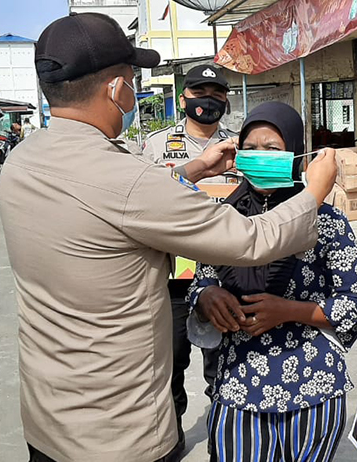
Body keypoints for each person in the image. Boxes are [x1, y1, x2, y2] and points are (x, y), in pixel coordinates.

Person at [0, 12, 337, 462]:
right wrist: (313, 192)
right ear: (117, 90)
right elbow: (250, 241)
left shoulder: (23, 160)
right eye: (131, 80)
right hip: (115, 431)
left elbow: (107, 203)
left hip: (48, 417)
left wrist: (193, 170)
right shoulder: (124, 177)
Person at [186, 101, 357, 461]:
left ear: (298, 155)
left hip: (312, 386)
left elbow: (355, 301)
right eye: (250, 149)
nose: (260, 157)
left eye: (272, 149)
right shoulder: (222, 219)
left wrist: (288, 311)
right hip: (238, 382)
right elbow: (201, 281)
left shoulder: (326, 221)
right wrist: (207, 297)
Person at [142, 63, 237, 449]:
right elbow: (143, 205)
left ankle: (225, 437)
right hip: (173, 276)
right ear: (183, 98)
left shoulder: (240, 144)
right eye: (199, 93)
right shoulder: (155, 145)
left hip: (226, 272)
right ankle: (172, 438)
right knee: (170, 364)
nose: (208, 101)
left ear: (226, 100)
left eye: (216, 94)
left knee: (224, 365)